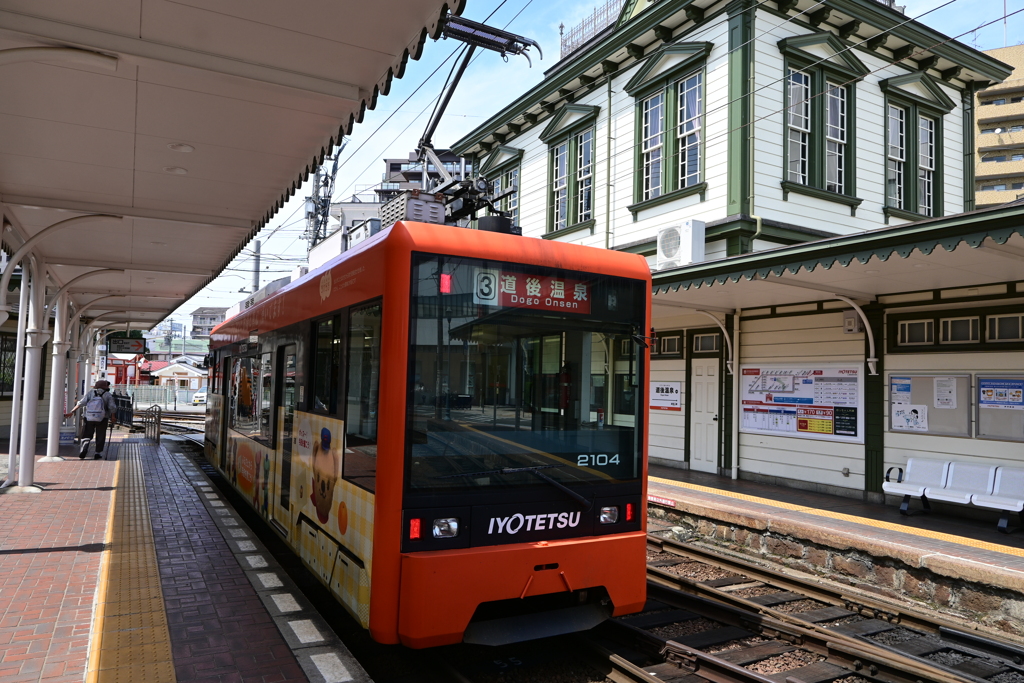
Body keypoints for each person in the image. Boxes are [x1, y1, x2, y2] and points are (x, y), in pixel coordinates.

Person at [66, 380, 117, 459]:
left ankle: (85, 445)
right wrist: (113, 417)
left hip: (89, 417)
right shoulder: (108, 395)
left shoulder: (91, 393)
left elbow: (81, 403)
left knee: (87, 433)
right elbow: (112, 407)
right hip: (103, 418)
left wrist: (72, 411)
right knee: (100, 435)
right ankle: (97, 453)